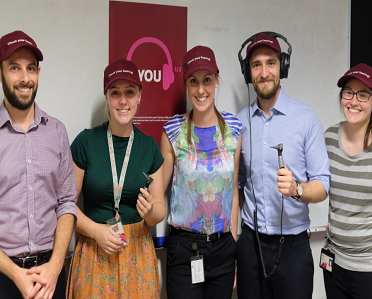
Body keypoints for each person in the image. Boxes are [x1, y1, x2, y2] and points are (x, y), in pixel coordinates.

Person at [236, 32, 330, 299]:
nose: (264, 72)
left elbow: (323, 184)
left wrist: (297, 189)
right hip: (250, 246)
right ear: (248, 72)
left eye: (271, 63)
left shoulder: (306, 118)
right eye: (256, 65)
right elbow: (239, 182)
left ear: (282, 67)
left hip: (293, 248)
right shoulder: (240, 123)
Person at [66, 58, 165, 299]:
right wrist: (97, 232)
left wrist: (150, 211)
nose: (123, 101)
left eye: (129, 92)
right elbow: (65, 206)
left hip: (137, 257)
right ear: (107, 97)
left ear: (139, 95)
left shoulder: (149, 147)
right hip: (94, 251)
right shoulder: (85, 142)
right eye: (115, 93)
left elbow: (159, 210)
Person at [160, 45, 242, 299]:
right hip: (185, 249)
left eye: (207, 80)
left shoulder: (234, 129)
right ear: (186, 85)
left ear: (217, 80)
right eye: (193, 81)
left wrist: (234, 249)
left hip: (224, 249)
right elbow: (158, 193)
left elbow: (234, 194)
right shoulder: (172, 131)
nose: (200, 89)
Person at [0, 30, 77, 299]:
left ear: (38, 73)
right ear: (1, 73)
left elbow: (67, 202)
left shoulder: (56, 132)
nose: (24, 78)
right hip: (4, 278)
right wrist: (15, 273)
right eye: (14, 68)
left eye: (30, 68)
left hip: (50, 277)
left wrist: (56, 266)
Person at [322, 63, 372, 299]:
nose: (354, 101)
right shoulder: (329, 138)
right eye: (348, 92)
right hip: (333, 262)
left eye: (363, 94)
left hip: (368, 268)